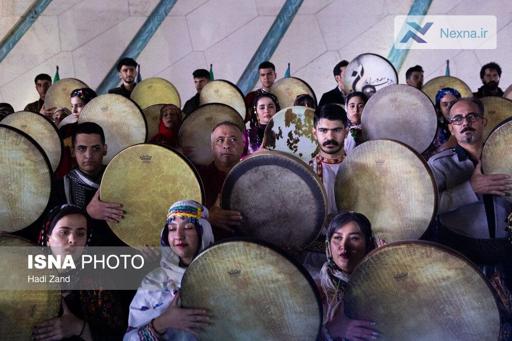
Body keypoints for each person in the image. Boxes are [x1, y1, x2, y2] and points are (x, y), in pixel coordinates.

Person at [428, 97, 512, 288]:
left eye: (472, 117)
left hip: (505, 249)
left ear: (483, 122)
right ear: (451, 128)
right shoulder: (438, 164)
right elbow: (428, 208)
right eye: (457, 119)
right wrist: (470, 189)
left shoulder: (507, 156)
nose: (465, 122)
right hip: (459, 250)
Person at [32, 204, 130, 340]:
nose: (73, 240)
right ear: (48, 238)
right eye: (64, 232)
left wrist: (78, 327)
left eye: (80, 233)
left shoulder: (99, 280)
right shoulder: (24, 275)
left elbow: (119, 336)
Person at [124, 200, 214, 340]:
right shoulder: (154, 280)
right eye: (172, 229)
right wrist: (163, 322)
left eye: (188, 227)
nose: (178, 235)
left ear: (204, 233)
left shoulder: (222, 275)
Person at [53, 122, 125, 246]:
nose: (89, 155)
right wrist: (88, 214)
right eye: (82, 148)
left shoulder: (121, 182)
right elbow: (56, 233)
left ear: (105, 149)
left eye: (96, 148)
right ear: (72, 151)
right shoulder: (59, 187)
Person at [319, 211, 380, 340]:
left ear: (368, 245)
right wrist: (329, 330)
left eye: (354, 238)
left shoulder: (384, 286)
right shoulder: (314, 289)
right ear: (328, 246)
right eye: (337, 238)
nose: (344, 246)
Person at [197, 122, 244, 239]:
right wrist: (207, 216)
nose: (226, 145)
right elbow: (180, 215)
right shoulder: (197, 176)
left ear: (243, 145)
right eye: (220, 140)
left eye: (233, 139)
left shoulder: (256, 175)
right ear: (212, 147)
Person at [310, 104, 349, 215]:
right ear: (314, 133)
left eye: (336, 130)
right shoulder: (306, 173)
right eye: (323, 130)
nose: (330, 137)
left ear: (346, 132)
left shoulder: (361, 170)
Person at [422, 87, 461, 160]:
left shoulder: (466, 123)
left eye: (453, 103)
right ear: (439, 108)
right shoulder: (432, 129)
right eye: (445, 104)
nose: (449, 107)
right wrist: (446, 147)